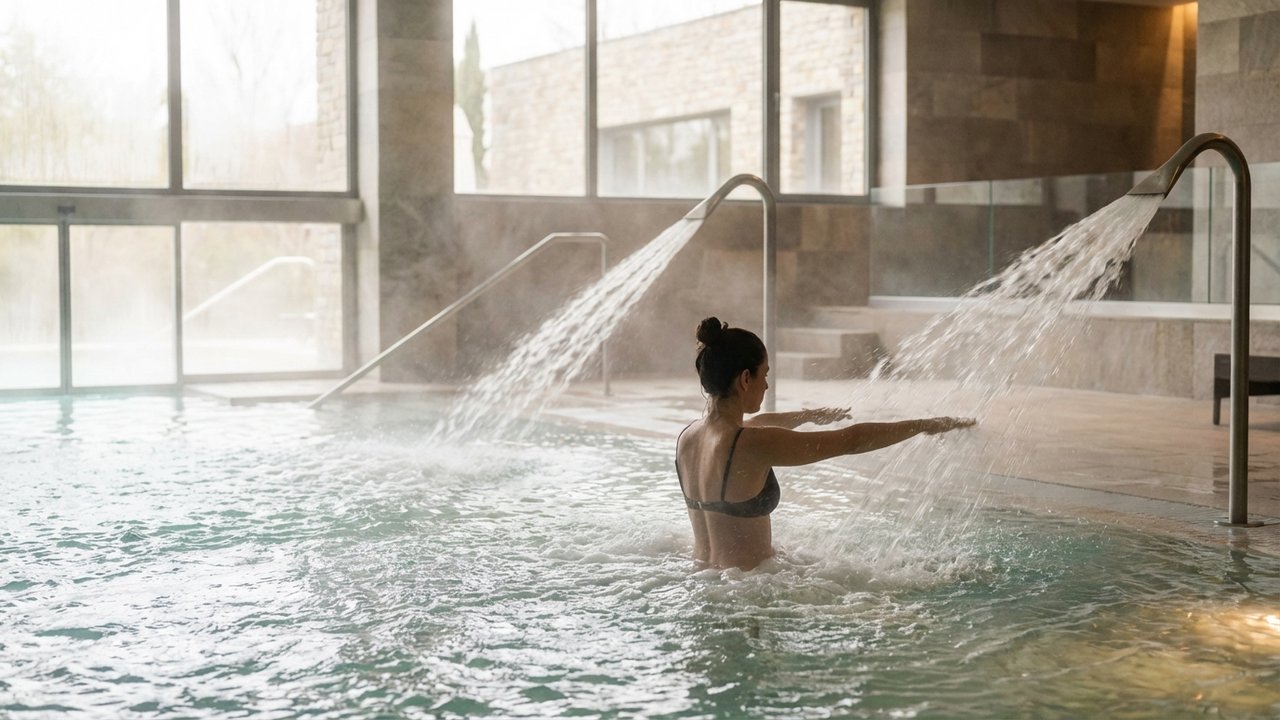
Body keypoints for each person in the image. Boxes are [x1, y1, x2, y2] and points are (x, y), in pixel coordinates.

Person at [676, 317, 975, 570]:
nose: (766, 385)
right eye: (764, 375)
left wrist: (808, 416)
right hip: (751, 591)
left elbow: (758, 424)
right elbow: (852, 440)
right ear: (745, 379)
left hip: (704, 576)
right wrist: (924, 425)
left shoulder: (688, 438)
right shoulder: (753, 443)